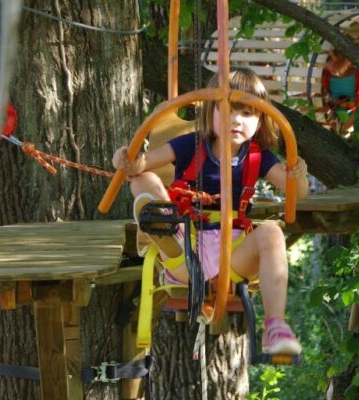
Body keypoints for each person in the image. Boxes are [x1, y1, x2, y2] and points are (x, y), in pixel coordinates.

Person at [112, 68, 308, 355]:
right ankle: (160, 222)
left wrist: (297, 175)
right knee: (145, 180)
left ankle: (276, 326)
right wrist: (128, 162)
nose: (237, 121)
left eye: (248, 114)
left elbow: (296, 194)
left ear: (261, 120)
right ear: (210, 112)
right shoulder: (190, 144)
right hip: (186, 244)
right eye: (228, 111)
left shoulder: (258, 156)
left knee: (272, 232)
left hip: (235, 254)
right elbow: (144, 164)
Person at [321, 48, 359, 137]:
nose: (332, 66)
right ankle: (347, 130)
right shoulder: (328, 78)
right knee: (345, 127)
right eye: (330, 61)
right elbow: (330, 100)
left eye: (336, 62)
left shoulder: (358, 75)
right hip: (341, 115)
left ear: (347, 64)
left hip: (356, 111)